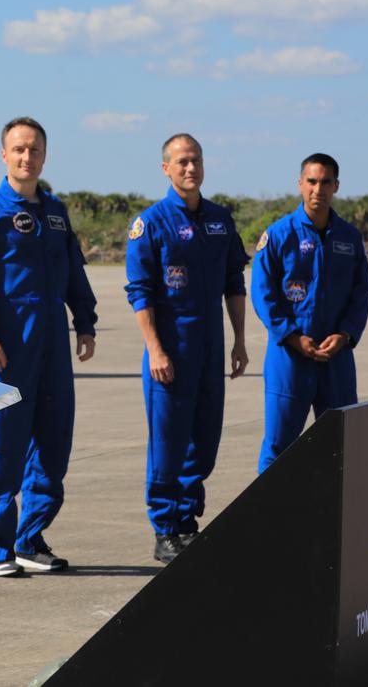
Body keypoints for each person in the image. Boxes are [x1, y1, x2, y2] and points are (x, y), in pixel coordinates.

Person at [0, 117, 98, 577]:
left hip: (53, 345)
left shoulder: (55, 214)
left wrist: (86, 322)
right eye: (18, 149)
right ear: (3, 155)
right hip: (7, 349)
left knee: (54, 445)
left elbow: (74, 272)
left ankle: (29, 539)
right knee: (2, 447)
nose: (26, 157)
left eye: (34, 149)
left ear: (44, 155)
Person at [125, 133, 249, 564]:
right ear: (166, 169)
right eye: (181, 162)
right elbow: (139, 293)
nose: (190, 168)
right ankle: (164, 528)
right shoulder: (151, 223)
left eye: (195, 160)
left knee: (204, 440)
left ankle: (186, 521)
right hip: (170, 348)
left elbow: (235, 282)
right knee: (168, 442)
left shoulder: (220, 220)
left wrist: (239, 341)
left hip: (210, 347)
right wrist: (156, 350)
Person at [251, 153, 368, 473]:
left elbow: (361, 293)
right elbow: (264, 294)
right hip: (289, 356)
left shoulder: (349, 237)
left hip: (336, 356)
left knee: (343, 444)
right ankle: (270, 520)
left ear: (336, 186)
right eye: (311, 181)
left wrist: (345, 334)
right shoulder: (279, 235)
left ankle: (336, 521)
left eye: (325, 182)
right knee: (279, 446)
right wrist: (292, 337)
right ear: (300, 184)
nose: (317, 189)